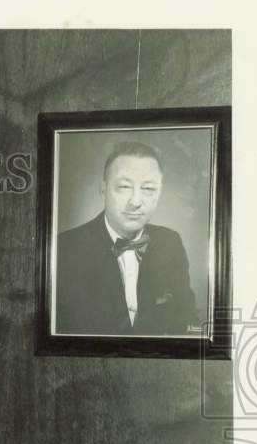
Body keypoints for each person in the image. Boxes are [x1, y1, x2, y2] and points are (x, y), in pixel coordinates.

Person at [55, 141, 198, 336]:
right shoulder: (64, 248)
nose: (136, 202)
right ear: (103, 189)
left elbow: (188, 323)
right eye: (124, 187)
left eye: (148, 189)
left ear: (159, 193)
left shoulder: (170, 242)